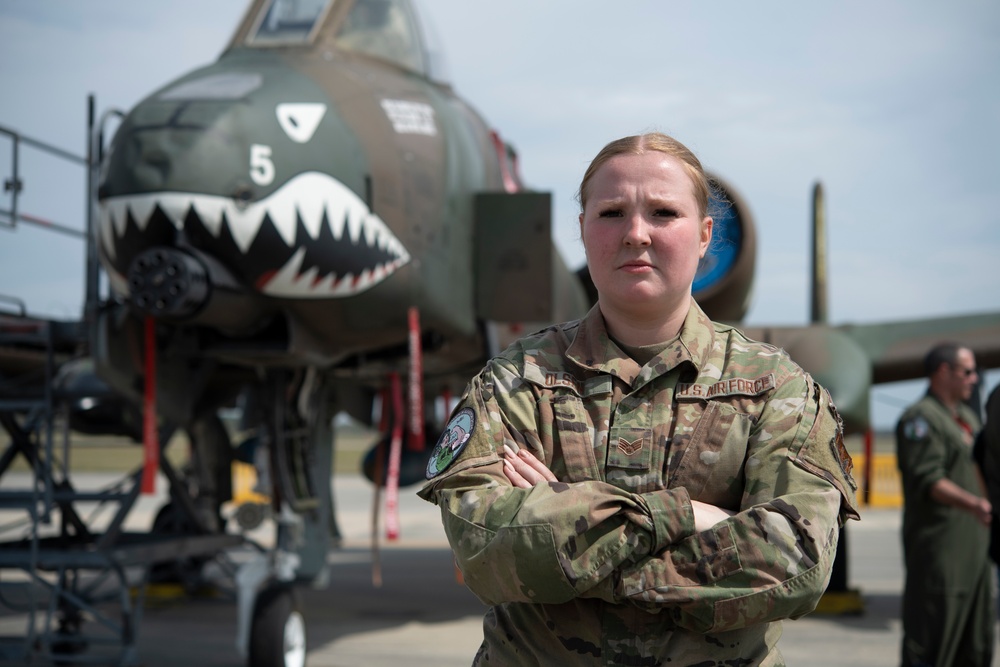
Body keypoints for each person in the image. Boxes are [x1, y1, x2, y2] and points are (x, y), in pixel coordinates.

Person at [418, 132, 860, 665]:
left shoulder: (775, 388)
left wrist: (567, 523)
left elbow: (798, 561)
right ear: (582, 231)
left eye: (663, 212)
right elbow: (483, 547)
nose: (635, 234)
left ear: (704, 235)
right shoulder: (514, 381)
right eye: (611, 213)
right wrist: (690, 516)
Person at [895, 343, 993, 667]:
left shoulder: (965, 418)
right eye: (967, 371)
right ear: (943, 372)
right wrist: (975, 505)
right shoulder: (921, 419)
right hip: (942, 557)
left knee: (976, 646)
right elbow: (929, 479)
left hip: (975, 556)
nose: (974, 379)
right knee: (932, 645)